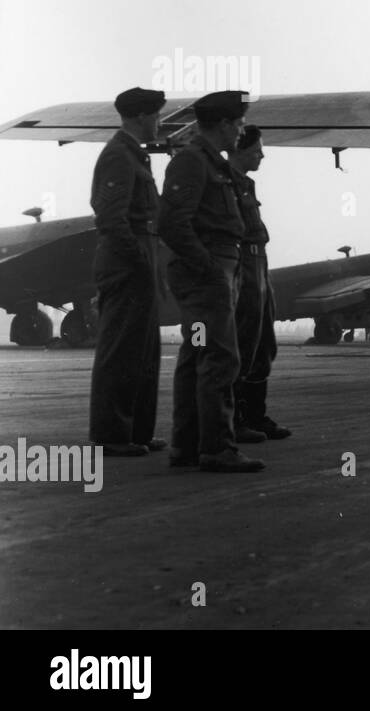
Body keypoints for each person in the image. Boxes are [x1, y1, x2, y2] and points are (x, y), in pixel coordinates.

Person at [159, 90, 264, 473]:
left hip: (216, 270)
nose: (240, 130)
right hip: (209, 276)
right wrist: (207, 269)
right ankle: (217, 448)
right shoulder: (192, 162)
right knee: (220, 357)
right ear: (222, 124)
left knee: (196, 354)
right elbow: (171, 223)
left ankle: (186, 446)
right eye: (237, 123)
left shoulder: (207, 161)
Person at [88, 87, 167, 457]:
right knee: (121, 349)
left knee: (144, 350)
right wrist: (137, 260)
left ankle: (135, 431)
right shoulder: (119, 155)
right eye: (155, 115)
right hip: (127, 262)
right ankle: (112, 435)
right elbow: (110, 217)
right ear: (139, 117)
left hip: (140, 257)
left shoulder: (133, 155)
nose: (158, 122)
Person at [229, 125, 290, 440]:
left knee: (264, 341)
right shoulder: (226, 182)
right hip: (243, 265)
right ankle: (237, 420)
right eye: (256, 150)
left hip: (259, 264)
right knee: (244, 342)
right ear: (240, 150)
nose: (262, 155)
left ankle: (256, 415)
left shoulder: (246, 184)